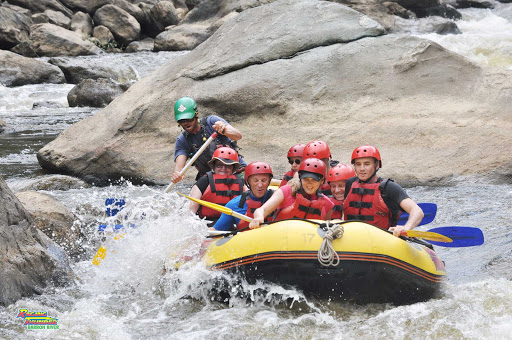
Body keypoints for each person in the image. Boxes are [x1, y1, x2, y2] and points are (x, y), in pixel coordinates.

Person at [342, 145, 424, 237]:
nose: (362, 169)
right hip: (351, 238)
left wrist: (406, 227)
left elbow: (417, 211)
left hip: (381, 241)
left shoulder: (388, 187)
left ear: (377, 165)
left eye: (367, 164)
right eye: (358, 164)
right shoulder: (350, 183)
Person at [170, 97, 247, 182]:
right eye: (182, 121)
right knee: (198, 188)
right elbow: (179, 168)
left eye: (189, 119)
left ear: (196, 115)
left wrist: (224, 130)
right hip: (211, 179)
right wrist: (177, 175)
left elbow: (238, 136)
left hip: (236, 172)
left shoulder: (211, 122)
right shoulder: (182, 140)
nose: (185, 123)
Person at [249, 158, 334, 229]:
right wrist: (259, 217)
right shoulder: (285, 191)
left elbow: (326, 229)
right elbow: (261, 210)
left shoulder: (327, 204)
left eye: (314, 180)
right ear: (300, 178)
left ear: (322, 180)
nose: (309, 183)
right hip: (282, 242)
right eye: (306, 179)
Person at [188, 147, 245, 225]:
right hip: (208, 223)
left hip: (235, 223)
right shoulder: (204, 182)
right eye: (219, 165)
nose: (223, 169)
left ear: (233, 168)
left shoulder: (242, 183)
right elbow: (191, 211)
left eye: (228, 166)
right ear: (214, 166)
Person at [212, 161, 275, 231]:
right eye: (255, 181)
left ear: (269, 181)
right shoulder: (233, 205)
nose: (260, 185)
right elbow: (216, 230)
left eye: (264, 180)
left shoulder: (278, 200)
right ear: (248, 182)